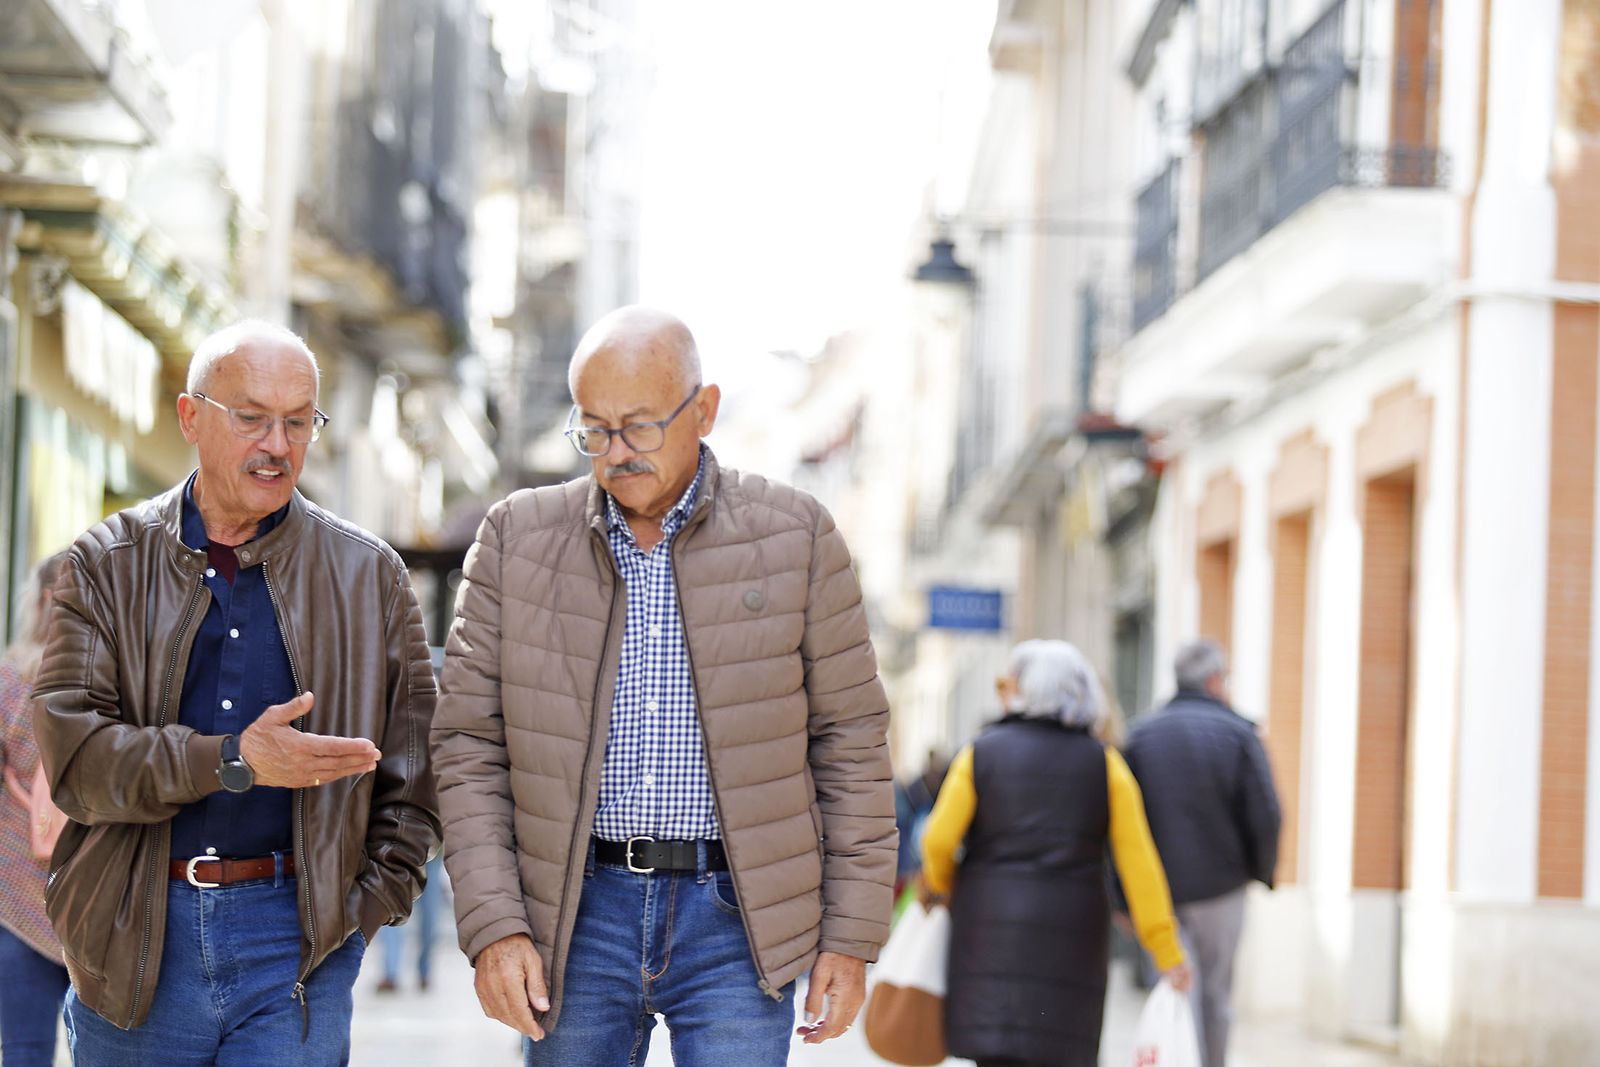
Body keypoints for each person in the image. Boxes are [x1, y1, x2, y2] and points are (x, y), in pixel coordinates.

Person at [431, 305, 896, 1066]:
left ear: (703, 409)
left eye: (640, 426)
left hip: (740, 922)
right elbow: (467, 743)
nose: (615, 452)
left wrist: (850, 937)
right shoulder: (515, 538)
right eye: (594, 429)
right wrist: (495, 923)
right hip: (575, 917)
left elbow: (849, 743)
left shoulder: (798, 536)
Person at [32, 320, 441, 1065]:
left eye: (298, 421)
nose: (278, 444)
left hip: (294, 949)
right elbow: (75, 763)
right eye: (251, 416)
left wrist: (351, 920)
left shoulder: (371, 576)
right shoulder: (105, 563)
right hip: (132, 937)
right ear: (191, 416)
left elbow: (417, 785)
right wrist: (230, 759)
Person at [920, 639, 1190, 1067]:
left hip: (989, 925)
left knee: (995, 1052)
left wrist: (940, 885)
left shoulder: (981, 753)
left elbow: (936, 840)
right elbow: (1139, 864)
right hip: (1073, 933)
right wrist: (1167, 950)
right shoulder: (1107, 766)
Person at [1123, 639, 1281, 1067]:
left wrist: (1123, 898)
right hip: (1222, 891)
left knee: (1174, 988)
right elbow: (1266, 813)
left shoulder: (1140, 736)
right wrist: (1261, 871)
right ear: (1214, 680)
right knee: (1216, 997)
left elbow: (1117, 826)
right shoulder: (1240, 734)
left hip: (1160, 893)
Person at [0, 551, 70, 1066]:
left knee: (25, 1050)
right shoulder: (117, 686)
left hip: (14, 889)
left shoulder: (8, 680)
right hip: (101, 894)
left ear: (41, 601)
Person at [375, 855, 445, 993]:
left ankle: (424, 970)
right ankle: (391, 973)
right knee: (391, 914)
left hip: (431, 856)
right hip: (397, 853)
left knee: (430, 920)